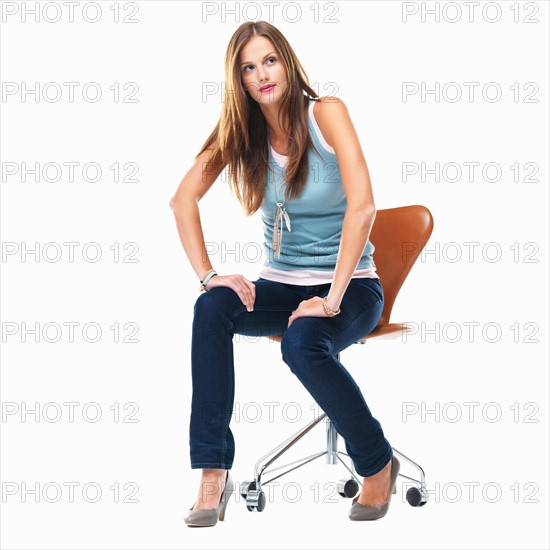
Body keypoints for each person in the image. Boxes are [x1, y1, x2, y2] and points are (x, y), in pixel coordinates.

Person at [170, 20, 399, 527]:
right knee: (211, 309)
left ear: (287, 62)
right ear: (241, 81)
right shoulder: (241, 134)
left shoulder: (327, 114)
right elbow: (182, 199)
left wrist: (332, 299)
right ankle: (212, 469)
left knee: (302, 340)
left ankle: (376, 462)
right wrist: (209, 276)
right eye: (248, 68)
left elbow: (363, 207)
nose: (261, 75)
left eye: (269, 60)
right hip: (282, 284)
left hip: (352, 284)